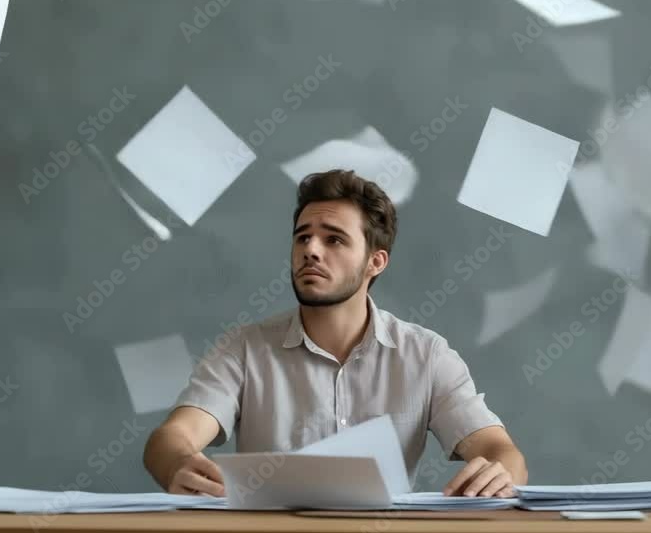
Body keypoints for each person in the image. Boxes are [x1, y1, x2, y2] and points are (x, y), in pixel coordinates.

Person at [143, 169, 527, 498]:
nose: (310, 249)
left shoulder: (426, 355)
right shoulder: (244, 348)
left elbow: (499, 450)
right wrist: (178, 462)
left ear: (375, 262)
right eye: (302, 236)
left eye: (334, 239)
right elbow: (171, 439)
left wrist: (502, 471)